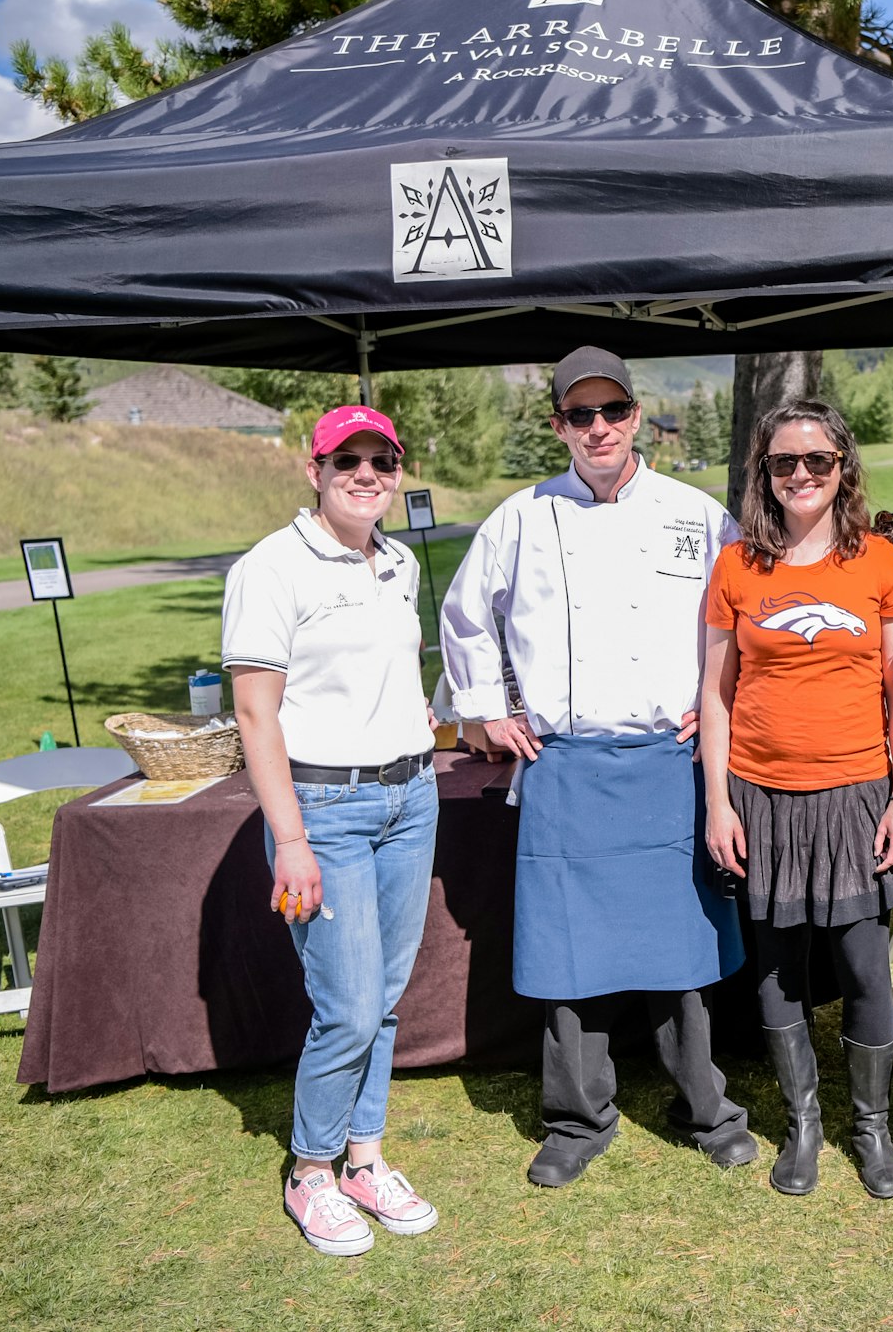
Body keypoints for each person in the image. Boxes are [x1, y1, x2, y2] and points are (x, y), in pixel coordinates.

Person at [440, 347, 756, 1188]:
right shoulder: (520, 518)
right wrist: (485, 706)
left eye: (612, 410)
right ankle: (578, 1117)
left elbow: (743, 619)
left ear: (636, 416)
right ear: (559, 427)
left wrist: (721, 695)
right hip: (567, 767)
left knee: (683, 948)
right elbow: (466, 615)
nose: (599, 428)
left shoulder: (697, 515)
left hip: (669, 760)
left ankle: (705, 1105)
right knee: (563, 953)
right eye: (580, 416)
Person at [223, 404, 441, 1256]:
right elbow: (253, 711)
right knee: (347, 1006)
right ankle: (310, 1170)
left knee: (383, 998)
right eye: (345, 458)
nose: (365, 474)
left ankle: (364, 1157)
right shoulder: (271, 567)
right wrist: (290, 839)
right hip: (325, 812)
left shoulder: (396, 563)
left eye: (381, 461)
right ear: (312, 470)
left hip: (410, 798)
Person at [699, 400, 893, 1200]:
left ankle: (872, 1125)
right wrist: (719, 801)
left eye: (816, 461)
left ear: (842, 469)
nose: (800, 475)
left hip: (857, 791)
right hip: (761, 796)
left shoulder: (881, 564)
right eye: (783, 462)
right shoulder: (735, 569)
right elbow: (716, 693)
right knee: (778, 967)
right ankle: (804, 1122)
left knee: (864, 965)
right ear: (765, 472)